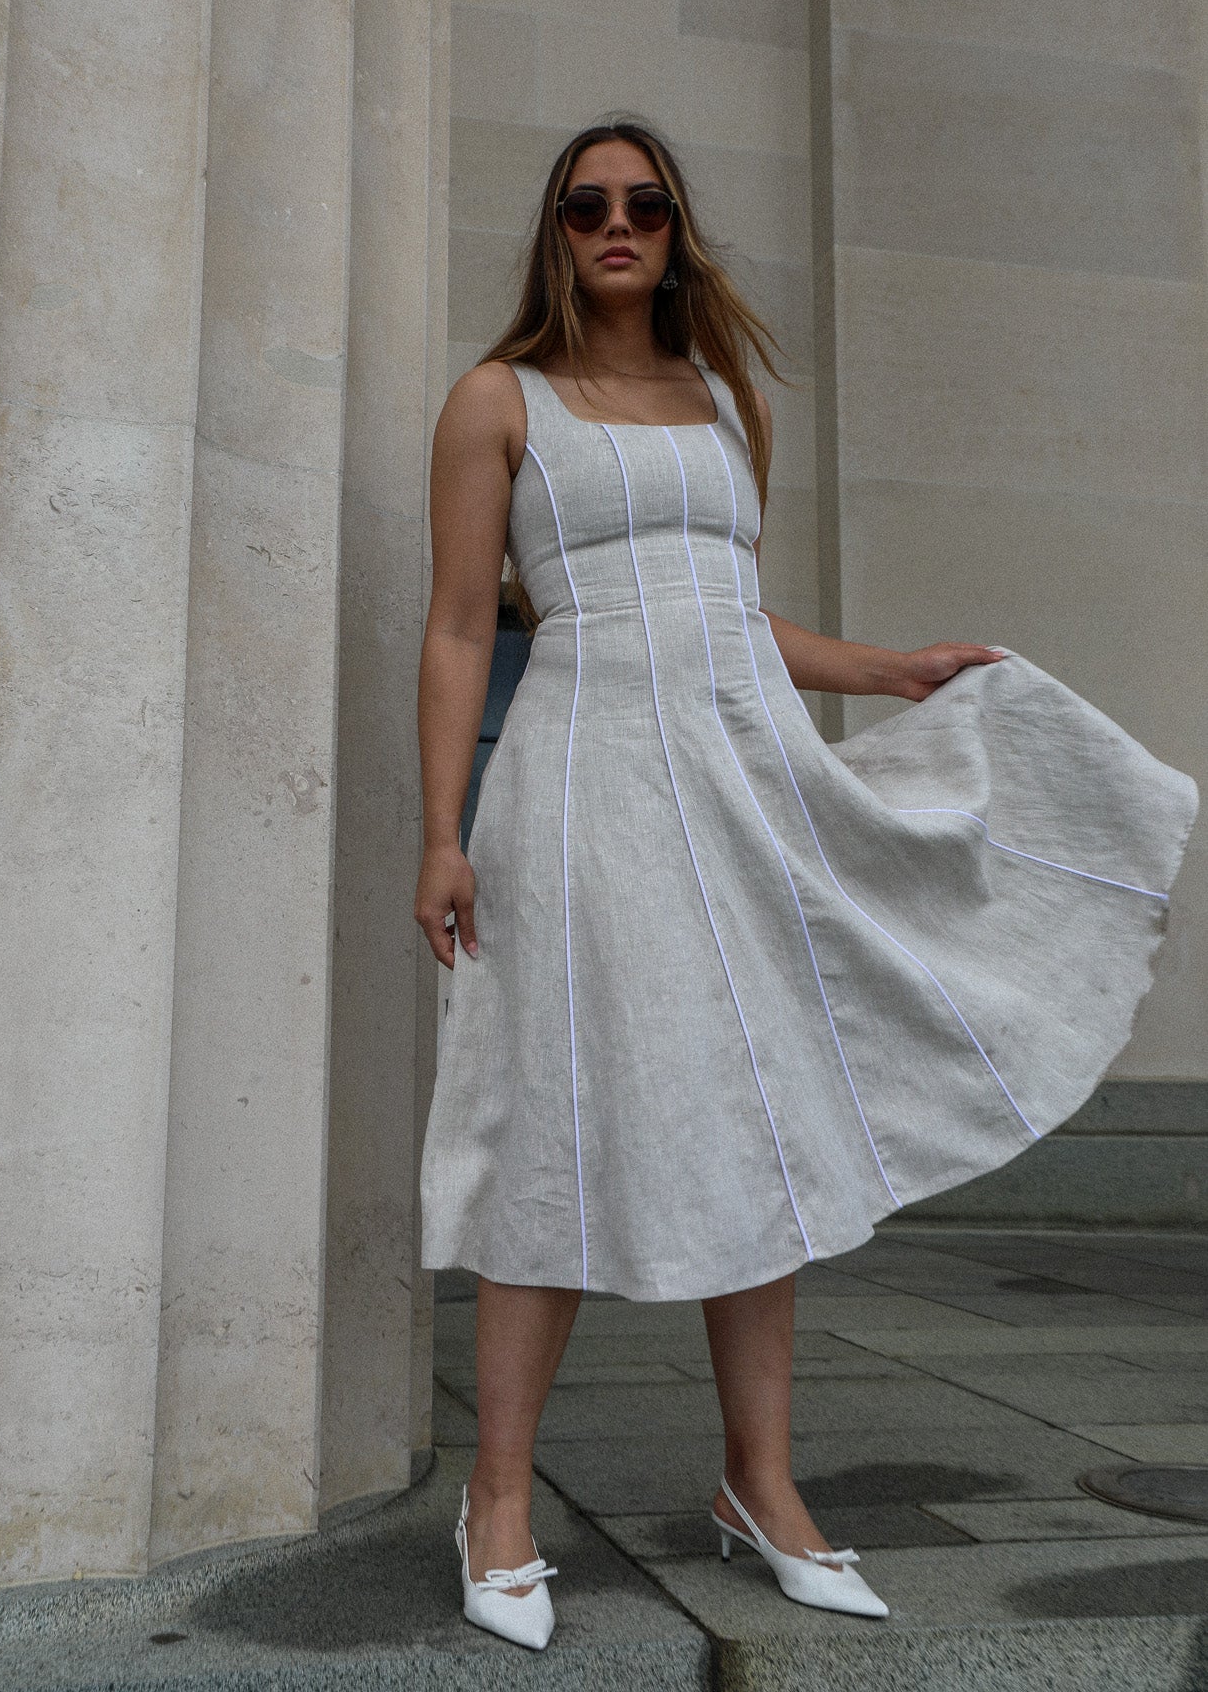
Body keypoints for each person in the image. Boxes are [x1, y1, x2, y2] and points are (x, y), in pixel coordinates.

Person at [412, 119, 1198, 1651]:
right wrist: (441, 831)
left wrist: (890, 669)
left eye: (645, 203)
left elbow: (730, 618)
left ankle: (758, 1484)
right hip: (579, 781)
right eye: (587, 205)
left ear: (675, 228)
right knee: (550, 1106)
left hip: (738, 769)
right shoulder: (495, 399)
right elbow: (456, 626)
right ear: (555, 232)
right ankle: (497, 1499)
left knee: (759, 1101)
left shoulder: (725, 399)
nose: (617, 224)